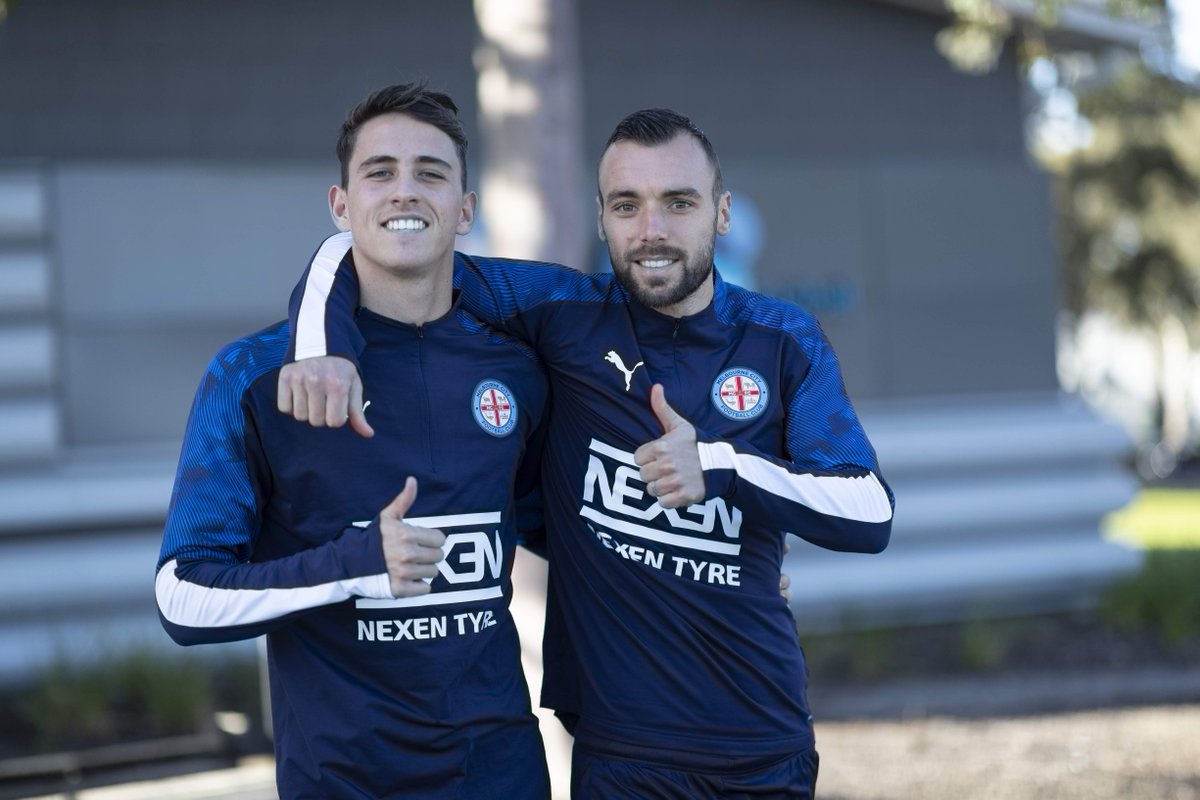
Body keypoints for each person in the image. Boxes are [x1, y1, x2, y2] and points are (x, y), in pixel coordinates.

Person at [280, 108, 895, 798]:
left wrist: (721, 468)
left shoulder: (781, 337)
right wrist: (321, 347)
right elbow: (372, 247)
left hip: (764, 744)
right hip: (619, 754)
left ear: (721, 212)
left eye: (679, 203)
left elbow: (869, 510)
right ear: (601, 219)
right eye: (627, 205)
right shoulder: (564, 313)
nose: (652, 229)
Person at [154, 83, 552, 799]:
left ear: (465, 210)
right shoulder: (254, 377)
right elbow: (182, 596)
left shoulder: (517, 367)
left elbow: (559, 526)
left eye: (430, 172)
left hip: (502, 773)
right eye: (380, 172)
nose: (405, 191)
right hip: (344, 781)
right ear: (341, 206)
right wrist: (354, 564)